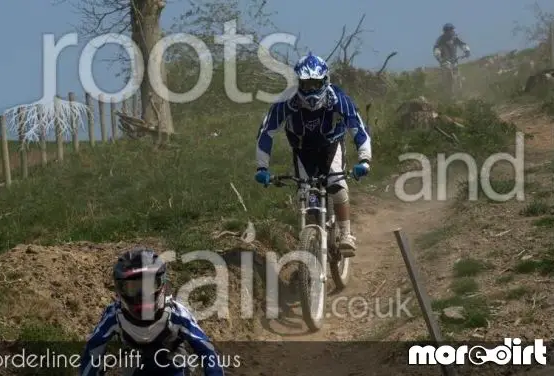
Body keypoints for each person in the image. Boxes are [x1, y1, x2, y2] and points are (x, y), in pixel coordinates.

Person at [254, 52, 372, 258]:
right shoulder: (285, 103)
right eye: (306, 85)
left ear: (325, 81)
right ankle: (310, 242)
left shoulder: (339, 100)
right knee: (305, 194)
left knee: (337, 185)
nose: (311, 90)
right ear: (299, 83)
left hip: (331, 146)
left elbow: (358, 130)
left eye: (315, 84)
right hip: (302, 151)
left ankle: (346, 234)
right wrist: (262, 167)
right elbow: (266, 133)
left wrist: (364, 160)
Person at [79, 247, 225, 376]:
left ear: (161, 283)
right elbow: (93, 351)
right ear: (120, 289)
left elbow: (207, 352)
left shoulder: (177, 314)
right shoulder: (115, 316)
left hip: (173, 363)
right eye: (133, 288)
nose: (142, 295)